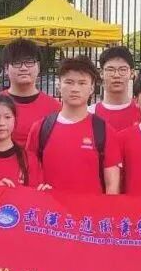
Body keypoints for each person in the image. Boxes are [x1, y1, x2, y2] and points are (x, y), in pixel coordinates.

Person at [26, 56, 120, 194]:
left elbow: (112, 185)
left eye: (82, 83)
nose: (75, 89)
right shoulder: (41, 128)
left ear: (91, 88)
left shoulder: (104, 131)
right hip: (50, 206)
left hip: (90, 207)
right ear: (59, 85)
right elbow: (30, 175)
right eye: (69, 82)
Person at [0, 38, 61, 146]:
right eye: (16, 63)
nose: (23, 68)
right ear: (6, 68)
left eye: (29, 62)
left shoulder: (54, 108)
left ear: (38, 67)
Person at [0, 94, 41, 187]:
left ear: (15, 120)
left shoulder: (29, 159)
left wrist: (43, 191)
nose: (1, 123)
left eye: (7, 117)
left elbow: (34, 193)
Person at [89, 46, 141, 131]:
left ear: (132, 73)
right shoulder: (90, 113)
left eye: (122, 70)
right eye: (110, 70)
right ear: (101, 73)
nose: (116, 75)